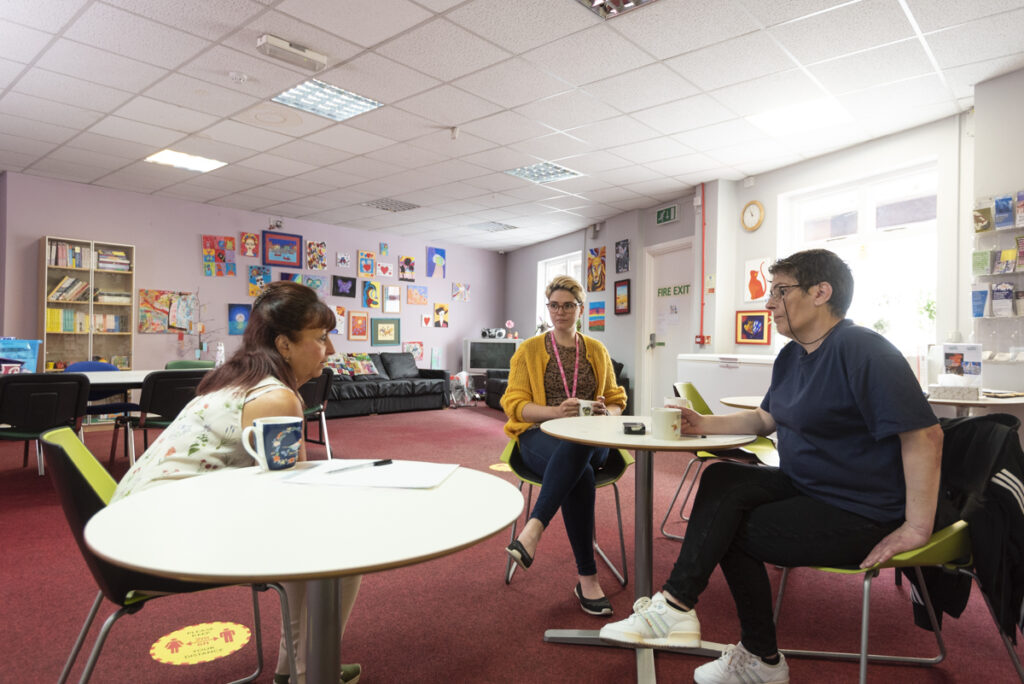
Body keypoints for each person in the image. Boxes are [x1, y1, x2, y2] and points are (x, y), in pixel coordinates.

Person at [599, 249, 943, 684]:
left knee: (730, 532)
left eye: (780, 291)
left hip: (861, 509)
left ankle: (749, 651)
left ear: (821, 292)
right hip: (806, 487)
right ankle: (681, 610)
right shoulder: (793, 356)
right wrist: (702, 424)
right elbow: (766, 418)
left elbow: (926, 436)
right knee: (722, 477)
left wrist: (917, 527)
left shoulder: (864, 351)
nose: (768, 303)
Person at [111, 281, 362, 684]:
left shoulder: (237, 378)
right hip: (156, 540)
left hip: (129, 524)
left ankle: (301, 669)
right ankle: (311, 671)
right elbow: (295, 497)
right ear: (284, 345)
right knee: (340, 549)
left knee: (312, 539)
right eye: (322, 338)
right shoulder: (277, 397)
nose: (331, 350)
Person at [501, 275, 628, 616]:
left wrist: (607, 411)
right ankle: (587, 578)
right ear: (548, 309)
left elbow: (617, 399)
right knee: (580, 471)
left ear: (580, 309)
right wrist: (555, 412)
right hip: (540, 436)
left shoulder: (597, 351)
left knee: (580, 443)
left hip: (594, 436)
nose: (560, 312)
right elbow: (514, 404)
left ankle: (534, 529)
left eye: (568, 305)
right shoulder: (528, 350)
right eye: (554, 305)